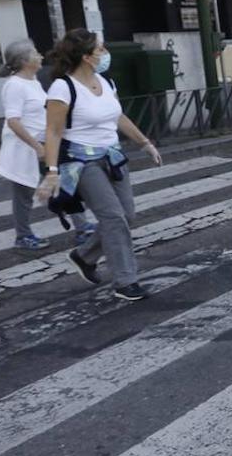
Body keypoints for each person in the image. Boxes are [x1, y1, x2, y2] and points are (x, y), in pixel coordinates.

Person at [35, 29, 162, 302]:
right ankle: (126, 281)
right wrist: (53, 171)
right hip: (81, 163)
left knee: (127, 216)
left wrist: (145, 143)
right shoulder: (63, 87)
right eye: (100, 50)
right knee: (114, 218)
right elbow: (53, 132)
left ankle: (84, 256)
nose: (105, 54)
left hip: (112, 157)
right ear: (86, 57)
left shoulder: (106, 82)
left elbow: (118, 117)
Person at [0, 40, 93, 251]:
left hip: (44, 144)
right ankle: (23, 236)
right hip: (26, 149)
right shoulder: (14, 85)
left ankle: (83, 227)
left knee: (64, 182)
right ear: (24, 60)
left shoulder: (33, 82)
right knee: (24, 195)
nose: (40, 57)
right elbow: (13, 121)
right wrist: (36, 147)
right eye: (35, 53)